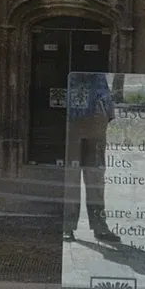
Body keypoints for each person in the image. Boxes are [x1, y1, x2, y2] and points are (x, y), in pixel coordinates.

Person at [63, 69, 116, 242]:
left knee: (95, 177)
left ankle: (100, 226)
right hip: (71, 118)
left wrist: (106, 114)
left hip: (95, 116)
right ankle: (67, 226)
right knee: (70, 176)